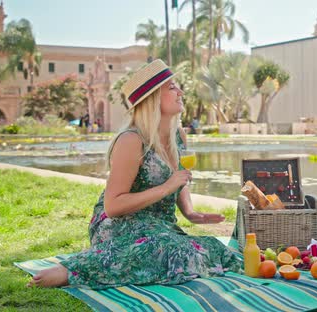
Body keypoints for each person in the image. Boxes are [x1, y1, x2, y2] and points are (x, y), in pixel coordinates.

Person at [28, 59, 241, 289]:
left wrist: (189, 212)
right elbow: (113, 206)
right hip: (119, 224)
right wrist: (166, 187)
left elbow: (179, 178)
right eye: (171, 87)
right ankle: (72, 270)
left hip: (159, 226)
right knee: (170, 250)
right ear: (151, 99)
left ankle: (110, 258)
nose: (180, 92)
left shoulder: (178, 135)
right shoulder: (132, 140)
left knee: (214, 249)